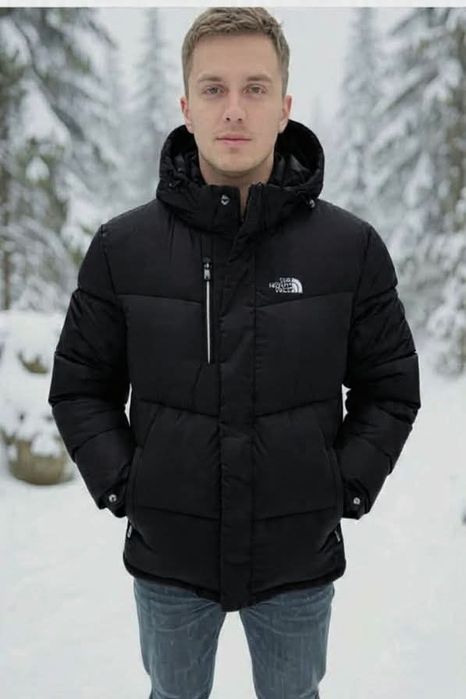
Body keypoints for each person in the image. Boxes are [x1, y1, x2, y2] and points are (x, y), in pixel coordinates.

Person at [48, 6, 421, 698]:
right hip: (169, 557)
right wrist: (128, 484)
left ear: (284, 107)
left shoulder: (350, 249)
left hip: (296, 560)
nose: (233, 109)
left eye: (255, 88)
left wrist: (341, 485)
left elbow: (391, 387)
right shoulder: (122, 248)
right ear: (186, 107)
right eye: (214, 88)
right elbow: (79, 387)